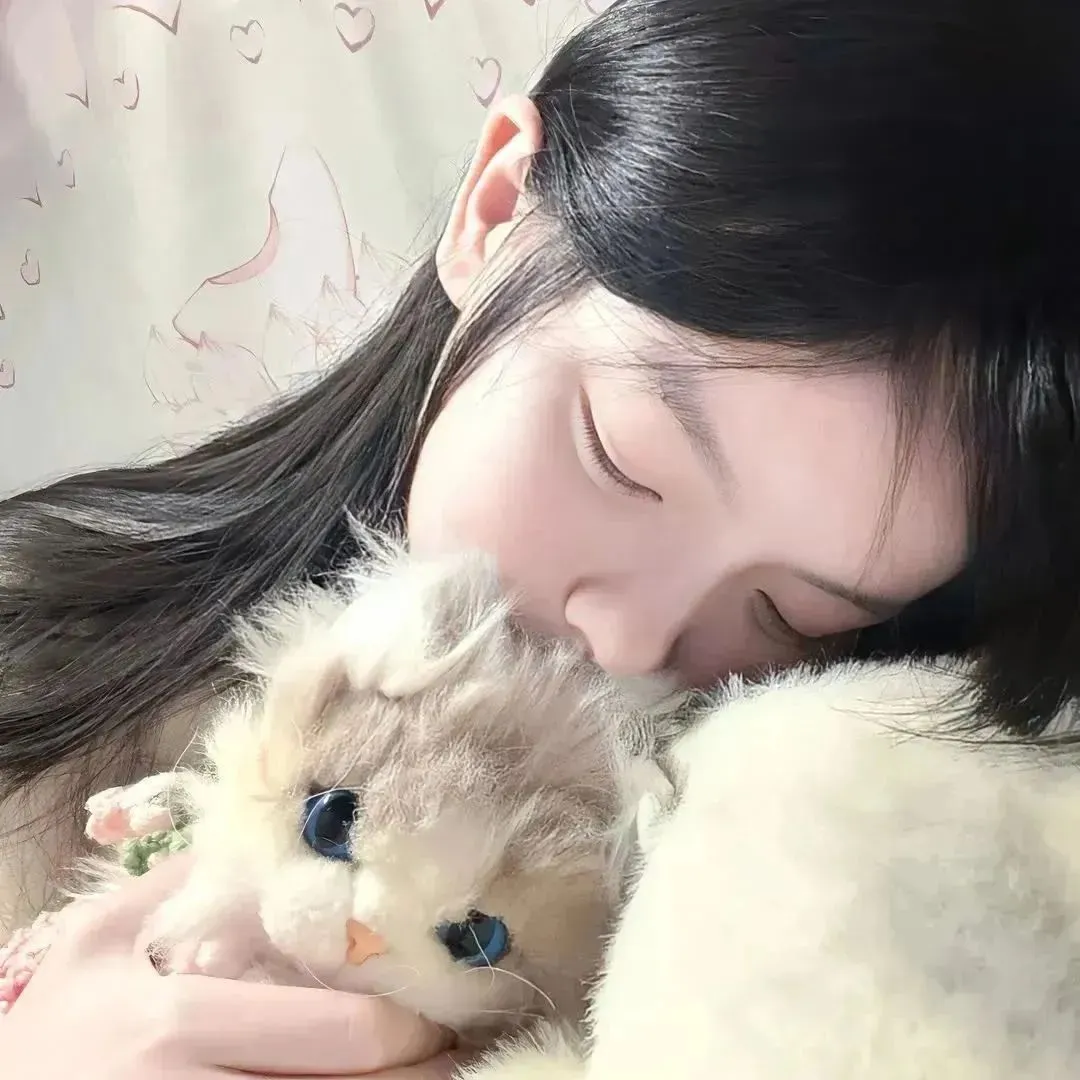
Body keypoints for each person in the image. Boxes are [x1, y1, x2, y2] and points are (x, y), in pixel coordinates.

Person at [2, 0, 1080, 1074]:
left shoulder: (833, 850)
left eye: (791, 614)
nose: (629, 642)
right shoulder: (37, 666)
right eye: (620, 459)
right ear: (495, 208)